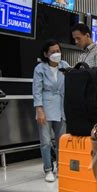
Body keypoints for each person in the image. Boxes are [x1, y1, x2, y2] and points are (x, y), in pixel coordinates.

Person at [32, 39, 70, 182]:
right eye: (53, 52)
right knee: (46, 141)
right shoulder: (40, 68)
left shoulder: (65, 65)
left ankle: (61, 167)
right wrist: (39, 110)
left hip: (62, 107)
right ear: (46, 54)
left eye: (58, 51)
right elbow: (36, 90)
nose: (56, 54)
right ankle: (48, 169)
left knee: (62, 141)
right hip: (46, 108)